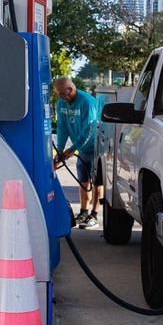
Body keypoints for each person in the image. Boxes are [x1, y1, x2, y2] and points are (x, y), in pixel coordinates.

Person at [53, 76, 102, 228]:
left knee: (97, 182)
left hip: (96, 149)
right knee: (83, 181)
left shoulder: (86, 102)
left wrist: (72, 149)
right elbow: (62, 127)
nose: (61, 97)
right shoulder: (62, 103)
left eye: (62, 93)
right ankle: (83, 212)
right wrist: (60, 151)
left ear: (70, 89)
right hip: (81, 149)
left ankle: (94, 214)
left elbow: (89, 130)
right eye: (58, 94)